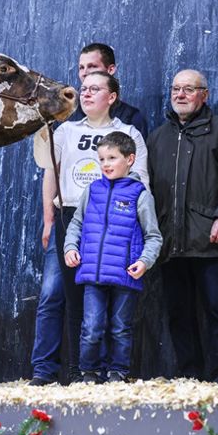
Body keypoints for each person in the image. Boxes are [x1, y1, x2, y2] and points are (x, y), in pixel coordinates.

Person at [30, 43, 145, 386]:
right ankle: (51, 371)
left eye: (95, 88)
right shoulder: (65, 131)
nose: (85, 93)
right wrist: (49, 218)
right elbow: (51, 171)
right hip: (69, 217)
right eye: (83, 88)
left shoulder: (129, 132)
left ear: (112, 95)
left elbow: (142, 183)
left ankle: (105, 370)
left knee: (106, 298)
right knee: (59, 294)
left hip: (113, 220)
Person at [147, 69, 218, 383]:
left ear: (205, 94)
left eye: (188, 89)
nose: (180, 94)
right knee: (178, 314)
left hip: (211, 241)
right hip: (169, 242)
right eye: (176, 88)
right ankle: (189, 376)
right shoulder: (158, 137)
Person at [63, 132, 163, 383]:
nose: (105, 164)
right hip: (93, 274)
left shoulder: (140, 195)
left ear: (130, 159)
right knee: (91, 328)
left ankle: (118, 372)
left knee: (120, 328)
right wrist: (70, 248)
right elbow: (76, 223)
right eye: (101, 159)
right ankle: (89, 372)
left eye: (112, 158)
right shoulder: (92, 190)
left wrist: (144, 261)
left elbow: (154, 236)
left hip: (124, 274)